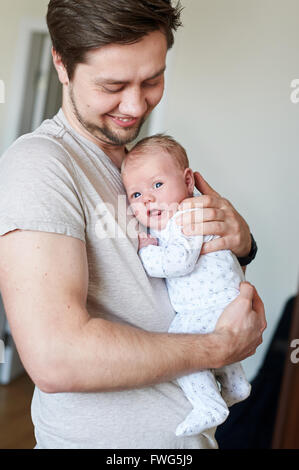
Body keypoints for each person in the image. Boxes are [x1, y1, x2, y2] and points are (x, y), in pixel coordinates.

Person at [0, 0, 266, 449]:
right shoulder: (41, 165)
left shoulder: (138, 168)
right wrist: (222, 347)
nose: (135, 104)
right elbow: (55, 359)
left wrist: (242, 244)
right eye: (114, 84)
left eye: (153, 79)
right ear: (61, 65)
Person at [121, 134, 252, 438]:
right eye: (136, 194)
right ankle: (235, 384)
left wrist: (146, 251)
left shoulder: (187, 216)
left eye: (157, 185)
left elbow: (179, 263)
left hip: (212, 303)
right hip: (218, 300)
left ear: (188, 180)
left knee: (181, 345)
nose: (148, 199)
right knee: (201, 336)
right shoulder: (173, 217)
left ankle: (209, 405)